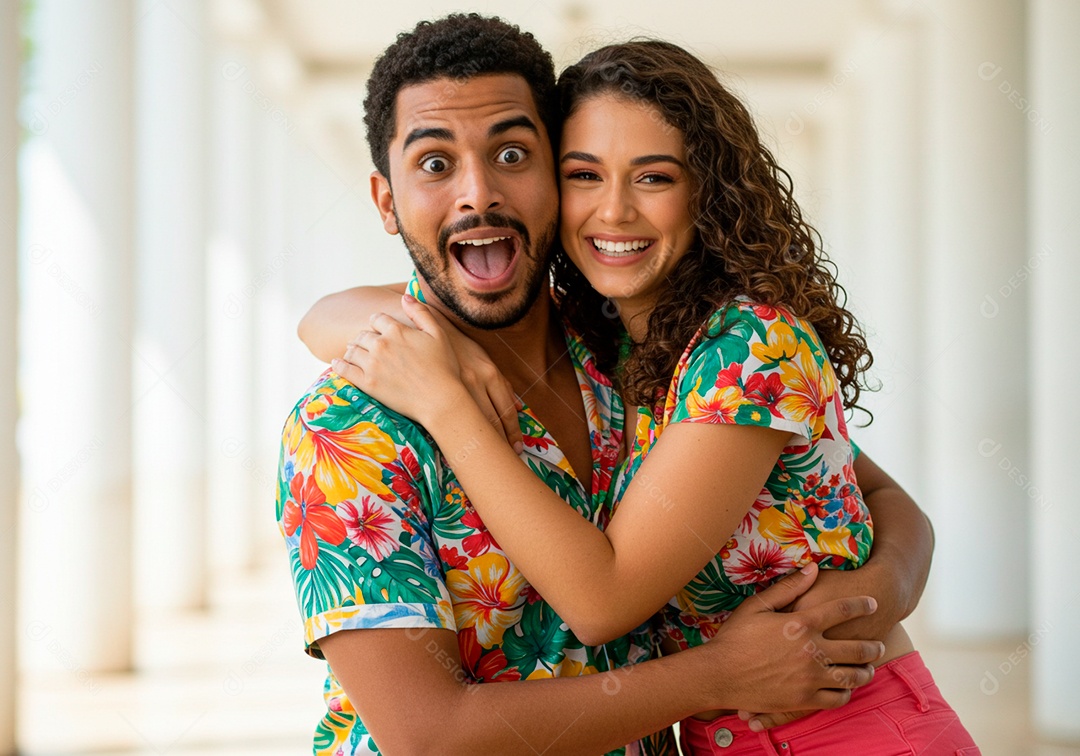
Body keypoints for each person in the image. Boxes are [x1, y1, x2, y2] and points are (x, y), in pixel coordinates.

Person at [281, 15, 934, 756]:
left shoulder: (632, 351)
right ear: (385, 201)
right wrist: (717, 675)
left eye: (512, 154)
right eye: (435, 164)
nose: (478, 193)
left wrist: (878, 593)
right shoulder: (345, 432)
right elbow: (428, 735)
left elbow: (868, 486)